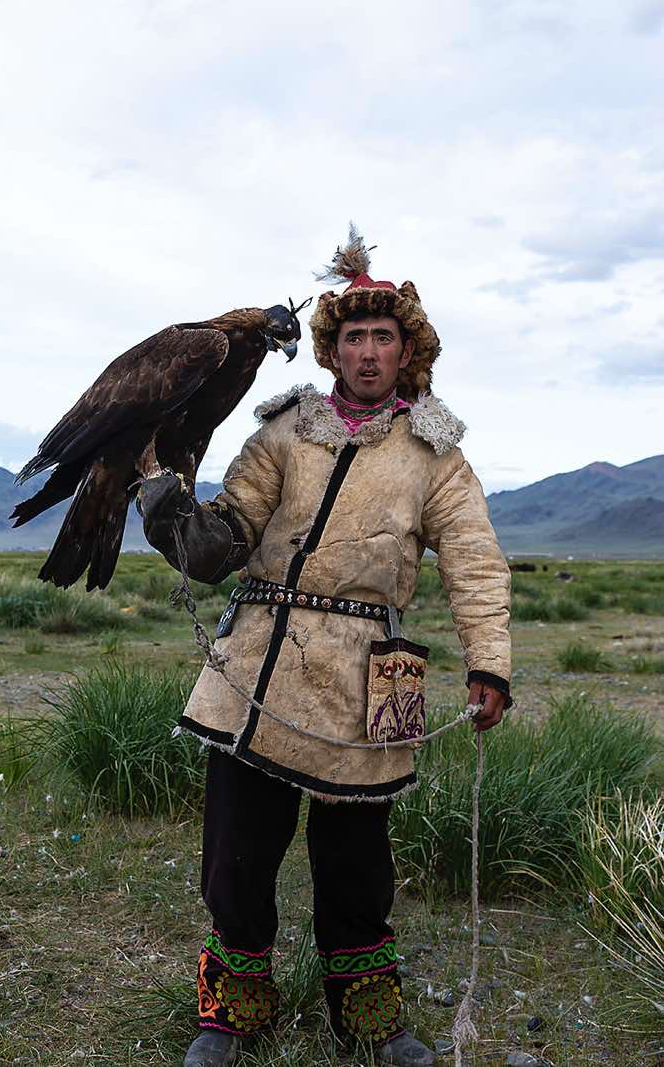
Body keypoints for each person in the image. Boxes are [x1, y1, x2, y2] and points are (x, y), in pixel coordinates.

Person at [139, 230, 512, 1067]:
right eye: (354, 337)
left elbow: (475, 560)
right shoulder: (283, 432)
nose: (368, 352)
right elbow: (229, 532)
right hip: (260, 661)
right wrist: (172, 510)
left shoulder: (437, 453)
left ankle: (371, 1022)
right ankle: (231, 1015)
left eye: (383, 337)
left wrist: (488, 661)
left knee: (358, 864)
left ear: (407, 351)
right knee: (237, 854)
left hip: (377, 671)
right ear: (332, 349)